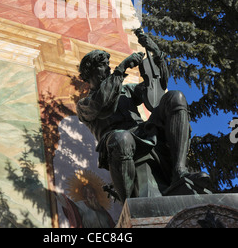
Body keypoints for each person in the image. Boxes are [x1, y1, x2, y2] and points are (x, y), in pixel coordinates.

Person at [76, 30, 209, 203]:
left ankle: (179, 170)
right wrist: (121, 69)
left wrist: (157, 57)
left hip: (143, 132)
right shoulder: (84, 104)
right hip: (116, 140)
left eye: (108, 64)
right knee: (121, 137)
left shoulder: (127, 90)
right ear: (89, 73)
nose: (108, 68)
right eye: (102, 65)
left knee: (175, 97)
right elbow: (102, 102)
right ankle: (130, 205)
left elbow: (156, 93)